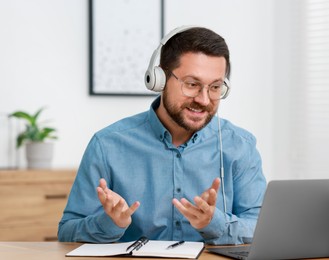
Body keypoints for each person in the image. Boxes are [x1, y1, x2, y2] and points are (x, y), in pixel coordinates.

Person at [58, 25, 267, 245]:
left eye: (215, 87)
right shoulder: (107, 145)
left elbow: (260, 228)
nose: (204, 100)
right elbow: (67, 232)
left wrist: (213, 222)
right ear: (159, 79)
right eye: (192, 84)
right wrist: (109, 223)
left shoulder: (240, 146)